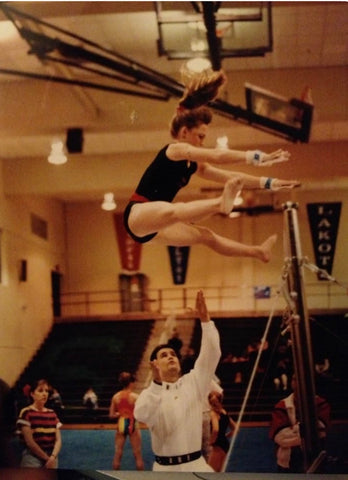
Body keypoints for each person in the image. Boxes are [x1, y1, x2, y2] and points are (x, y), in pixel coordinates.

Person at [124, 69, 300, 262]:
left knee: (206, 236)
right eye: (200, 136)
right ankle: (219, 203)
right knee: (174, 211)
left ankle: (258, 252)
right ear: (184, 133)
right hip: (138, 214)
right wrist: (258, 157)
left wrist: (270, 183)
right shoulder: (174, 151)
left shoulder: (194, 165)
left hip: (155, 226)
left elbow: (233, 177)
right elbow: (217, 155)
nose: (202, 142)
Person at [134, 290, 221, 472]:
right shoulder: (149, 394)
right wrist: (157, 385)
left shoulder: (194, 382)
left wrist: (205, 321)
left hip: (196, 465)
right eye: (164, 355)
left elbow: (212, 354)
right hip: (164, 470)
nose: (170, 357)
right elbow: (141, 415)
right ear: (154, 364)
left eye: (173, 354)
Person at [269, 374, 330, 473]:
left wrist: (294, 430)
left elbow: (321, 433)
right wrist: (304, 432)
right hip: (287, 463)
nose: (297, 382)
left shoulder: (320, 404)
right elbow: (280, 438)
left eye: (300, 379)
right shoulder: (281, 406)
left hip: (315, 458)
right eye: (294, 379)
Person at [16, 378, 62, 468]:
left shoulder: (52, 413)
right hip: (33, 455)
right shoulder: (26, 412)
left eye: (46, 391)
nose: (44, 394)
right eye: (40, 391)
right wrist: (47, 459)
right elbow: (30, 442)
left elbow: (58, 440)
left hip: (51, 455)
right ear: (32, 394)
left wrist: (52, 457)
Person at [109, 372, 144, 470]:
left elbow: (111, 415)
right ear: (131, 383)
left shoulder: (115, 397)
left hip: (121, 423)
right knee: (137, 453)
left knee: (118, 453)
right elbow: (141, 414)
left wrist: (119, 414)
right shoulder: (135, 397)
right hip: (132, 422)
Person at [208, 390, 236, 472]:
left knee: (211, 472)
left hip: (218, 445)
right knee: (220, 471)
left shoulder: (213, 414)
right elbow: (235, 428)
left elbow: (215, 430)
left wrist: (211, 441)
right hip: (225, 443)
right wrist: (226, 435)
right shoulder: (224, 412)